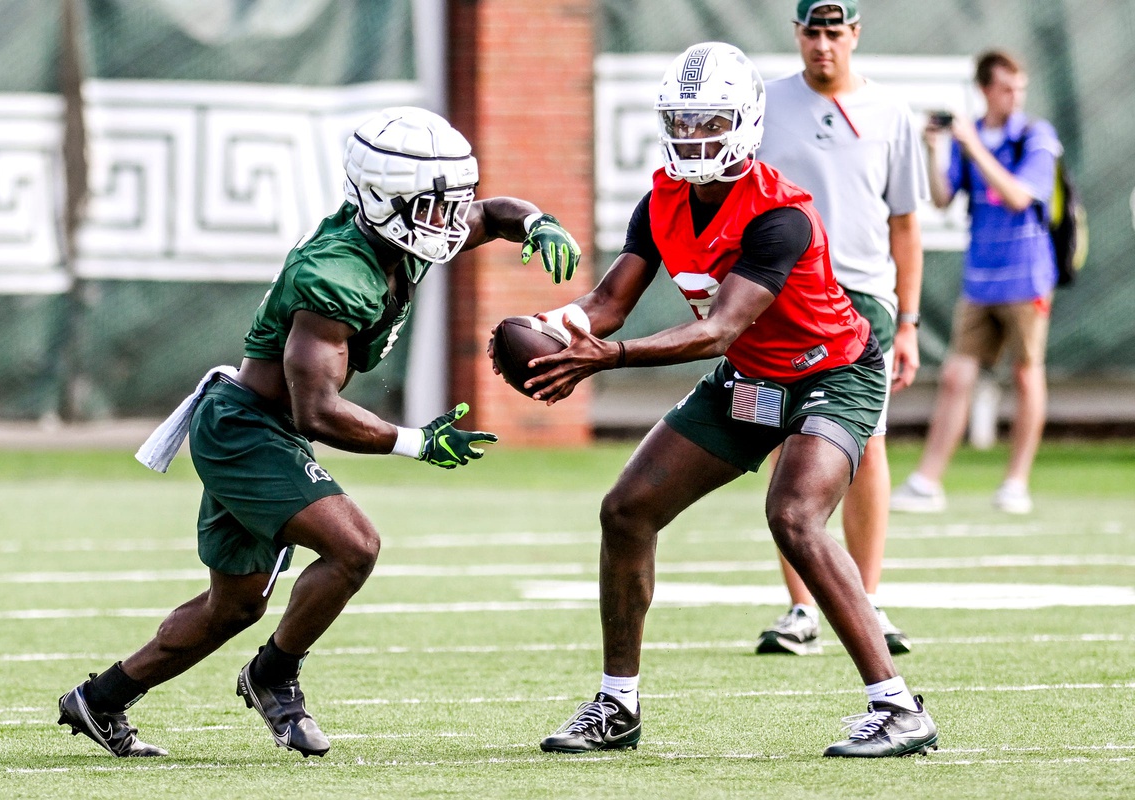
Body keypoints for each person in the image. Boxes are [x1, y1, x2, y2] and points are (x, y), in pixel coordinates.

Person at [55, 106, 581, 758]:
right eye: (434, 208)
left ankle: (99, 700)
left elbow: (494, 212)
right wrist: (416, 441)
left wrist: (537, 221)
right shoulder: (334, 275)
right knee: (354, 546)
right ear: (385, 202)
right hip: (247, 429)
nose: (451, 223)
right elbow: (316, 412)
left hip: (261, 427)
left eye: (453, 205)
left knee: (235, 608)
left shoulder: (404, 233)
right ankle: (273, 675)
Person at [521, 42, 937, 758]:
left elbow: (717, 327)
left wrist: (606, 359)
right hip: (752, 374)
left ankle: (898, 707)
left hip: (831, 370)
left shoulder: (780, 215)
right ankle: (617, 704)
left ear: (744, 122)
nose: (693, 138)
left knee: (795, 514)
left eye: (709, 121)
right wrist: (553, 327)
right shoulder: (662, 199)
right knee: (626, 510)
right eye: (681, 124)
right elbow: (610, 301)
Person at [751, 0, 927, 658]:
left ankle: (867, 598)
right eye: (812, 31)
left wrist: (908, 321)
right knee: (782, 437)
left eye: (835, 31)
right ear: (797, 34)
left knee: (868, 443)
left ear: (855, 34)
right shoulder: (764, 105)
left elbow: (905, 223)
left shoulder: (889, 112)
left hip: (861, 299)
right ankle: (801, 607)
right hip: (779, 292)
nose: (823, 44)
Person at [891, 50, 1060, 516]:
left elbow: (1017, 196)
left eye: (1020, 87)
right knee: (955, 376)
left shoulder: (1034, 136)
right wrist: (935, 149)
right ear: (985, 89)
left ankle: (1016, 483)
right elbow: (943, 198)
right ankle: (927, 482)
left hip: (1027, 280)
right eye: (1007, 87)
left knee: (1027, 377)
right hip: (980, 280)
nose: (1016, 96)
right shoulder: (970, 141)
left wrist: (972, 144)